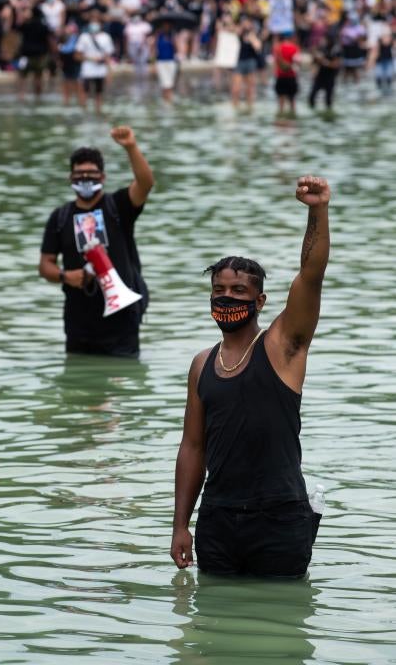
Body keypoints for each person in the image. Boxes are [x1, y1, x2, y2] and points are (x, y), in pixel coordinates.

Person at [171, 175, 330, 578]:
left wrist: (317, 210)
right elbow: (192, 447)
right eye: (220, 289)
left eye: (239, 291)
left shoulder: (282, 345)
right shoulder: (202, 364)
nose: (228, 298)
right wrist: (180, 525)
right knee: (213, 630)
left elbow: (310, 275)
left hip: (280, 519)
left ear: (259, 301)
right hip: (218, 520)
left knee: (280, 629)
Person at [39, 126, 154, 357]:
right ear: (70, 178)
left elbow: (145, 183)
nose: (85, 180)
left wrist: (131, 147)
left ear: (103, 177)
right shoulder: (60, 217)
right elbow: (45, 265)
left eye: (91, 175)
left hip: (121, 323)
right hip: (78, 323)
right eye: (79, 175)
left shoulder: (118, 207)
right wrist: (65, 276)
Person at [75, 10, 114, 113]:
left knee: (99, 93)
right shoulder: (84, 37)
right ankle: (84, 111)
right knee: (84, 91)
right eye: (92, 20)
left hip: (100, 71)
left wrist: (109, 72)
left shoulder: (106, 37)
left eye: (97, 20)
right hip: (87, 70)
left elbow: (108, 57)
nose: (94, 23)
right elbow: (77, 56)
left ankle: (98, 112)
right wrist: (91, 59)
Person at [309, 34, 341, 111]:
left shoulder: (336, 49)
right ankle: (312, 110)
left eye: (325, 39)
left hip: (330, 76)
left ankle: (328, 112)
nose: (323, 41)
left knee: (328, 99)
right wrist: (313, 71)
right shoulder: (321, 48)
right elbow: (314, 62)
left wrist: (324, 62)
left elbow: (336, 64)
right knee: (312, 96)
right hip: (320, 76)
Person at [273, 33, 301, 116]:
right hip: (291, 76)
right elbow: (298, 63)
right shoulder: (295, 48)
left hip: (280, 76)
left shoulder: (277, 48)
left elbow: (276, 62)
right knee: (292, 100)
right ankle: (293, 115)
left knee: (281, 101)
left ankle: (281, 115)